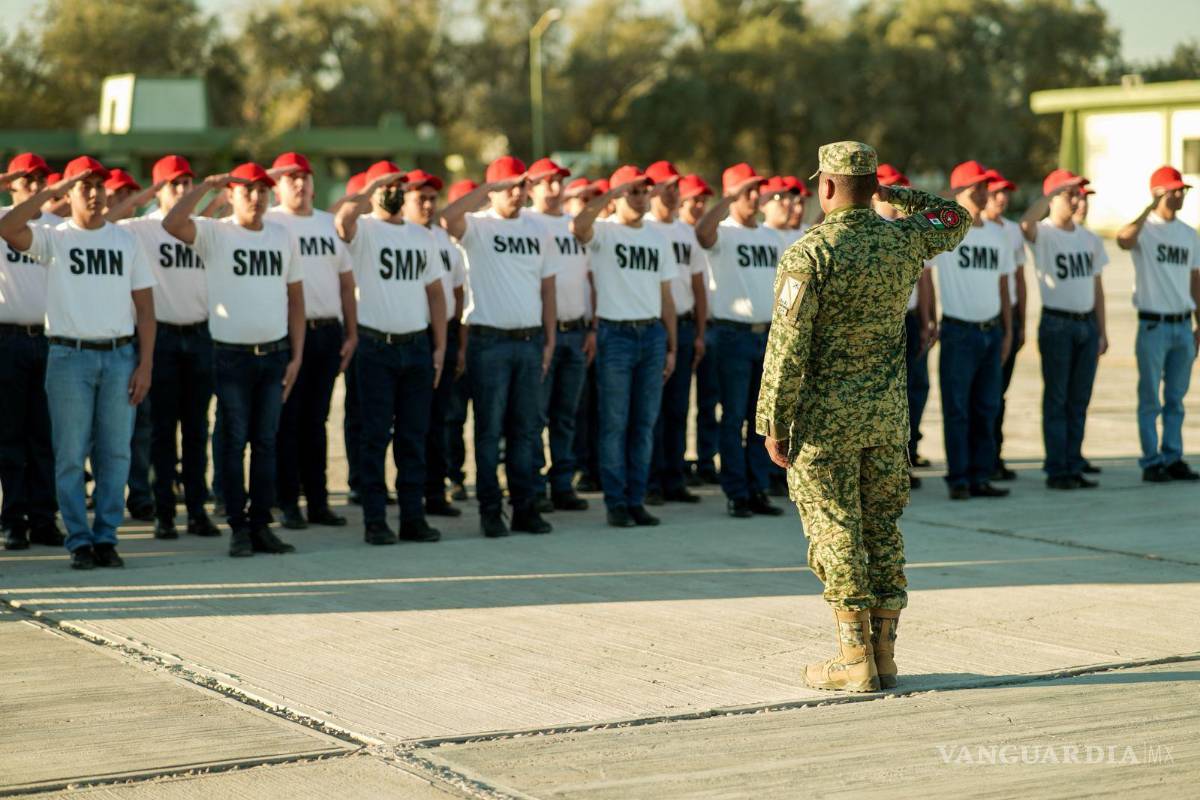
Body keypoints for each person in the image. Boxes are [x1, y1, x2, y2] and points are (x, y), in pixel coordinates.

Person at [757, 140, 970, 693]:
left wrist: (772, 421)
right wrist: (892, 194)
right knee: (881, 529)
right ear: (873, 187)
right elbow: (956, 216)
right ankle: (884, 654)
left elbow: (786, 346)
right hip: (886, 419)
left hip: (824, 423)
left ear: (826, 186)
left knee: (836, 530)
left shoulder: (810, 253)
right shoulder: (903, 239)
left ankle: (854, 659)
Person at [0, 157, 157, 570]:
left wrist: (145, 364)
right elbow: (8, 228)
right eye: (84, 186)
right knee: (70, 455)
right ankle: (79, 540)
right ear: (68, 194)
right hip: (69, 357)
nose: (94, 193)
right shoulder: (55, 237)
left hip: (120, 356)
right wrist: (50, 191)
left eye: (99, 186)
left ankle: (106, 537)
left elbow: (146, 310)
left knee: (116, 454)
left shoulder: (126, 240)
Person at [163, 163, 305, 558]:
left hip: (274, 354)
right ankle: (238, 527)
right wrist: (207, 186)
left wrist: (297, 354)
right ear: (231, 195)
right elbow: (172, 224)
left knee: (266, 443)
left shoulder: (282, 235)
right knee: (234, 442)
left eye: (262, 190)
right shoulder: (215, 232)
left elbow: (296, 298)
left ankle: (261, 525)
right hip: (231, 357)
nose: (256, 198)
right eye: (247, 191)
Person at [440, 157, 556, 538]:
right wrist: (489, 189)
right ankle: (491, 511)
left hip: (529, 341)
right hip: (488, 342)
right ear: (492, 190)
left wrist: (550, 338)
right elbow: (446, 218)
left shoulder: (538, 229)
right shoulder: (477, 226)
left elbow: (548, 287)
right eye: (509, 187)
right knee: (489, 432)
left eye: (521, 186)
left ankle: (524, 509)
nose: (517, 194)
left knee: (525, 432)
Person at [336, 161, 446, 544]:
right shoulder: (364, 229)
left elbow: (436, 293)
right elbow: (342, 220)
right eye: (386, 186)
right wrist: (371, 187)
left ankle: (413, 518)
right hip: (375, 347)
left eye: (398, 184)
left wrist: (440, 346)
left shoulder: (422, 236)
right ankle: (375, 520)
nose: (393, 191)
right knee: (374, 437)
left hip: (415, 346)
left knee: (413, 437)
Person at [113, 154, 221, 540]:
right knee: (162, 431)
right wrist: (142, 196)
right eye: (173, 184)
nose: (181, 189)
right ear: (159, 189)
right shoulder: (141, 228)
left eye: (186, 183)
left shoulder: (201, 228)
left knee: (196, 429)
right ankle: (164, 512)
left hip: (200, 334)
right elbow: (106, 221)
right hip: (162, 339)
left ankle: (197, 510)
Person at [572, 166, 677, 527]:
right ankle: (616, 502)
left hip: (651, 334)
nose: (641, 197)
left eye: (644, 191)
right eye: (633, 191)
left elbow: (666, 296)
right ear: (617, 196)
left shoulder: (658, 238)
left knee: (644, 423)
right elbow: (578, 226)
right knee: (615, 423)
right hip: (615, 335)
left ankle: (636, 500)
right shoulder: (604, 231)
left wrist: (672, 345)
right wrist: (609, 195)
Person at [265, 152, 358, 531]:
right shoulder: (270, 222)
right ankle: (288, 502)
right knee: (288, 420)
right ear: (276, 186)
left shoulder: (326, 224)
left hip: (327, 332)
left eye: (305, 177)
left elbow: (346, 283)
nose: (300, 184)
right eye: (291, 178)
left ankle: (318, 502)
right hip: (287, 333)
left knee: (317, 422)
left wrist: (351, 332)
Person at [696, 163, 785, 518]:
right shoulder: (724, 233)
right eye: (746, 190)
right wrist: (728, 199)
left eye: (756, 190)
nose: (755, 196)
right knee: (733, 417)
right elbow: (702, 233)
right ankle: (736, 491)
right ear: (732, 194)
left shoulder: (770, 237)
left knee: (761, 419)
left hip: (766, 335)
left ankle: (758, 487)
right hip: (732, 335)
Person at [927, 160, 1014, 500]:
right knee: (958, 409)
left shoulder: (997, 234)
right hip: (959, 332)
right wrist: (929, 317)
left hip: (991, 331)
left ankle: (981, 475)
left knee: (986, 407)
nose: (982, 192)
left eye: (984, 186)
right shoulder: (944, 229)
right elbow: (925, 270)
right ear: (960, 191)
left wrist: (1008, 331)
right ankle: (959, 478)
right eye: (975, 186)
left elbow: (1004, 286)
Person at [1020, 169, 1108, 489]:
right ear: (1053, 198)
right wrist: (1049, 193)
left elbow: (1097, 287)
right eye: (1069, 194)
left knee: (1079, 399)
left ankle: (1073, 462)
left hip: (1086, 324)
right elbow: (1025, 225)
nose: (1076, 200)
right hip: (1057, 324)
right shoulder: (1045, 233)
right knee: (1057, 398)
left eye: (1078, 195)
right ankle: (1057, 468)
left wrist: (1102, 330)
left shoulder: (1089, 238)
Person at [1116, 165, 1200, 482]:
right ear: (1159, 194)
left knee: (1176, 399)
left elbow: (1195, 280)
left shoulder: (1188, 234)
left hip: (1181, 325)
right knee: (1150, 397)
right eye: (1174, 191)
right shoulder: (1145, 230)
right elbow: (1123, 240)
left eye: (1182, 191)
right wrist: (1149, 208)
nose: (1180, 196)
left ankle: (1173, 455)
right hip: (1153, 325)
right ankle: (1151, 460)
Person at [0, 153, 65, 551]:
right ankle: (14, 519)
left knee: (45, 435)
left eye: (41, 180)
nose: (36, 186)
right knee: (9, 435)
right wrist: (7, 178)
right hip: (7, 339)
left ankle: (44, 518)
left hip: (49, 337)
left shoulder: (57, 227)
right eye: (27, 180)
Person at [525, 158, 592, 512]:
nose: (555, 188)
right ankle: (535, 486)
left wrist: (593, 325)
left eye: (559, 181)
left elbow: (591, 278)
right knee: (535, 415)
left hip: (576, 330)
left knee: (566, 416)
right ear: (531, 187)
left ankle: (562, 484)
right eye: (547, 181)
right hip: (540, 334)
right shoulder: (526, 223)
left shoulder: (573, 225)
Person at [402, 168, 466, 518]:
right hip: (413, 333)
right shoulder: (399, 234)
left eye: (432, 198)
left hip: (446, 333)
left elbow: (457, 290)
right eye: (420, 198)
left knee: (439, 416)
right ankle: (407, 492)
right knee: (412, 421)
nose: (428, 204)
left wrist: (459, 344)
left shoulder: (444, 240)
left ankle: (435, 491)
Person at [644, 161, 707, 505]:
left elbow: (698, 286)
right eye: (665, 186)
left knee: (678, 408)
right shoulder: (644, 229)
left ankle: (674, 476)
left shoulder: (686, 232)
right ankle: (650, 480)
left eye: (675, 186)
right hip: (652, 326)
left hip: (683, 325)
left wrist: (699, 332)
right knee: (652, 410)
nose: (671, 193)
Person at [873, 164, 936, 488]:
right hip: (882, 323)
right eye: (891, 190)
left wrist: (928, 319)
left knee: (916, 390)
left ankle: (906, 456)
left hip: (909, 320)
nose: (898, 198)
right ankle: (885, 465)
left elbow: (923, 279)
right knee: (887, 396)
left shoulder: (910, 230)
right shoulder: (871, 231)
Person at [981, 172, 1028, 482]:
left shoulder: (1011, 231)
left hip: (1007, 315)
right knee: (983, 395)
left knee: (999, 393)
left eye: (1006, 192)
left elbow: (1019, 278)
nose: (1002, 198)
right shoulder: (971, 229)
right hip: (982, 314)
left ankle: (994, 455)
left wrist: (1021, 322)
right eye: (996, 192)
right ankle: (980, 460)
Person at [677, 174, 720, 487]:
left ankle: (706, 460)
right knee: (678, 402)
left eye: (703, 200)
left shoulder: (714, 233)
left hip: (711, 324)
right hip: (682, 321)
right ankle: (678, 462)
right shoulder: (674, 233)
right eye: (693, 200)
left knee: (709, 399)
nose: (699, 206)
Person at [442, 178, 483, 503]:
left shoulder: (484, 238)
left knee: (487, 415)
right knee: (453, 415)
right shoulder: (443, 245)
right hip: (456, 330)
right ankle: (453, 476)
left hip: (482, 332)